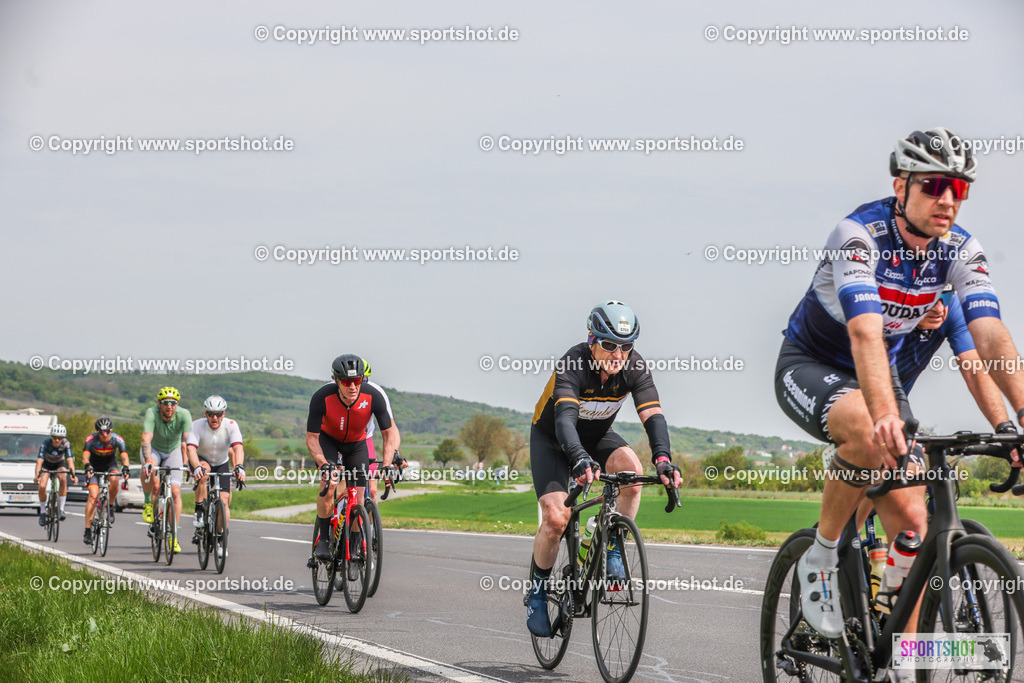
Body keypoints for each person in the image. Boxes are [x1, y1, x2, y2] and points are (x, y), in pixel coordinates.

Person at [775, 128, 1024, 653]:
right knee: (871, 433)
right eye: (934, 185)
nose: (948, 200)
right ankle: (820, 556)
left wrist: (1019, 417)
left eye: (960, 188)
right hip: (815, 364)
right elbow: (865, 331)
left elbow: (988, 337)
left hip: (880, 383)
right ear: (900, 185)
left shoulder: (959, 249)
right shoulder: (858, 235)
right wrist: (886, 415)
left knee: (914, 522)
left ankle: (896, 652)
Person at [525, 300, 683, 637]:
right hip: (553, 438)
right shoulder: (574, 362)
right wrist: (579, 458)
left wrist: (664, 459)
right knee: (556, 519)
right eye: (609, 344)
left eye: (626, 346)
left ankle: (610, 542)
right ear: (592, 340)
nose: (618, 354)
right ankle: (537, 592)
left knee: (632, 474)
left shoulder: (634, 367)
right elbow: (566, 419)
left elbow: (653, 416)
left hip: (597, 437)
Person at [308, 354, 400, 563]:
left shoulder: (373, 396)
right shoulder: (321, 397)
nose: (352, 386)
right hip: (328, 441)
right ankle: (323, 538)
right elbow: (312, 439)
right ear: (336, 381)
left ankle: (356, 546)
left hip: (357, 444)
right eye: (347, 382)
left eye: (357, 381)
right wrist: (323, 464)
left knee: (360, 496)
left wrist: (386, 464)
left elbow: (389, 433)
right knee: (329, 484)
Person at [186, 395, 246, 558]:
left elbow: (238, 448)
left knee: (225, 502)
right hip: (202, 460)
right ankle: (199, 509)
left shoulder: (231, 425)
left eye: (218, 414)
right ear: (206, 414)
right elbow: (190, 449)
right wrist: (196, 466)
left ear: (223, 414)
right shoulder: (197, 425)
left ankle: (220, 539)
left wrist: (239, 467)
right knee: (203, 473)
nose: (215, 417)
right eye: (211, 414)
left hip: (221, 462)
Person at [140, 386, 192, 553]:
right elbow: (146, 437)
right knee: (151, 477)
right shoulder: (152, 412)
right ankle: (149, 502)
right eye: (165, 403)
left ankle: (173, 536)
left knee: (175, 492)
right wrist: (148, 461)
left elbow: (188, 441)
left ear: (177, 404)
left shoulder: (184, 414)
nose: (169, 406)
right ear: (159, 403)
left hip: (173, 451)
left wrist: (191, 463)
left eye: (173, 403)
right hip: (154, 450)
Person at [359, 358, 404, 500]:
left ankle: (371, 523)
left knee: (372, 492)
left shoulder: (376, 392)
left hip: (364, 440)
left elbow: (391, 430)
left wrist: (394, 455)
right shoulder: (333, 392)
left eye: (363, 380)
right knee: (344, 484)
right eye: (350, 381)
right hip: (337, 440)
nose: (357, 386)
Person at [81, 417, 130, 544]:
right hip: (94, 467)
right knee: (93, 496)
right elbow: (85, 457)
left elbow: (124, 456)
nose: (105, 434)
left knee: (114, 479)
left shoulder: (117, 439)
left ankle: (111, 506)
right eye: (101, 432)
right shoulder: (90, 439)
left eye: (107, 431)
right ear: (97, 432)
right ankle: (87, 530)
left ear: (111, 430)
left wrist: (126, 468)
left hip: (110, 465)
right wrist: (87, 465)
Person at [35, 423, 77, 526]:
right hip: (47, 464)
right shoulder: (46, 443)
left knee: (63, 478)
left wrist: (72, 475)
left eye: (60, 438)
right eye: (54, 437)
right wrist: (37, 476)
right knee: (42, 485)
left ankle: (61, 509)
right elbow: (39, 461)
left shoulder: (66, 444)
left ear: (63, 438)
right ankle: (43, 512)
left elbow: (70, 460)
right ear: (51, 437)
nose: (57, 440)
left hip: (59, 464)